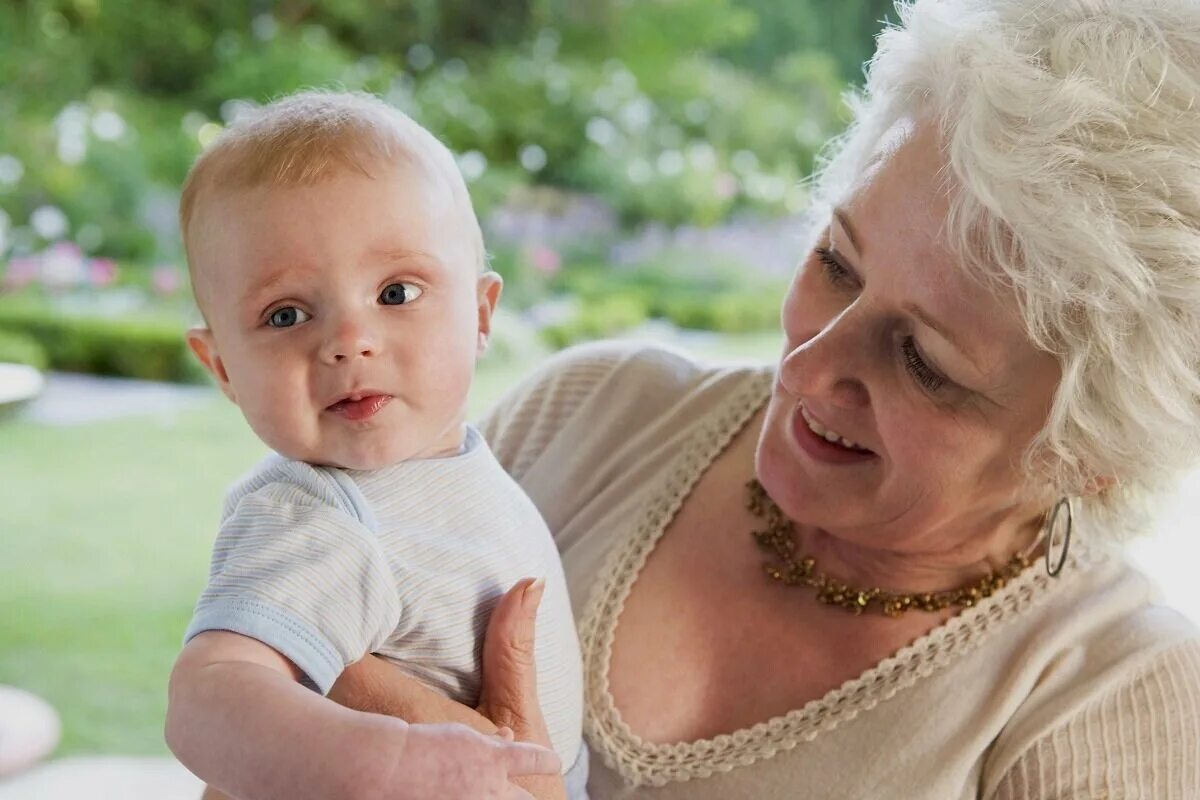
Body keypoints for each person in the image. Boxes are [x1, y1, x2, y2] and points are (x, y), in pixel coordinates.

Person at [328, 0, 1200, 796]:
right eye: (837, 264)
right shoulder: (589, 413)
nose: (809, 369)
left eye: (924, 362)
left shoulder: (1109, 698)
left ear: (1093, 452)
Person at [163, 90, 586, 800]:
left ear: (480, 315)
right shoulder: (318, 514)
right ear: (224, 368)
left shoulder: (455, 468)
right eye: (286, 313)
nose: (346, 342)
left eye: (396, 293)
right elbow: (206, 697)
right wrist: (383, 764)